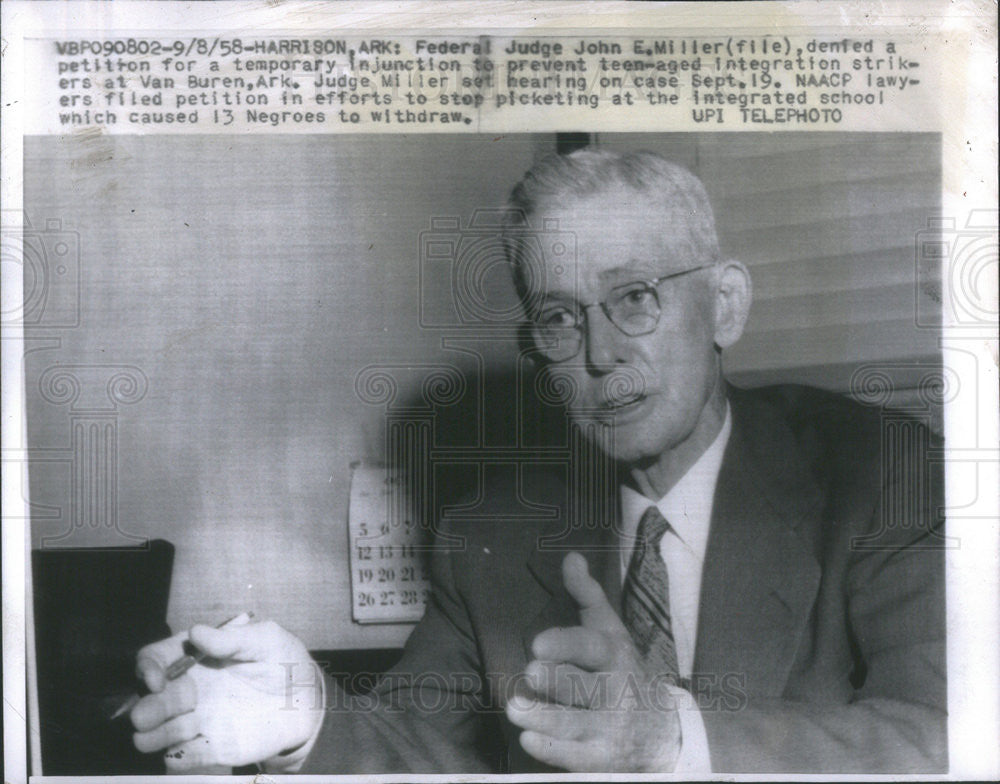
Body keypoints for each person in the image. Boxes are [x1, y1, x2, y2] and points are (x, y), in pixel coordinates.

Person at [129, 149, 946, 774]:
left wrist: (669, 738)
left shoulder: (879, 474)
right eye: (559, 319)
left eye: (634, 298)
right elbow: (422, 748)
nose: (598, 355)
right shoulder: (491, 532)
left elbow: (946, 738)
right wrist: (309, 717)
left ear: (725, 304)